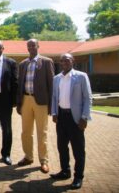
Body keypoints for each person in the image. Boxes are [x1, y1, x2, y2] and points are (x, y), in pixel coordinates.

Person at [50, 53, 92, 190]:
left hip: (76, 119)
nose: (64, 62)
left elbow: (87, 98)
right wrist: (54, 113)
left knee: (78, 150)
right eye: (61, 61)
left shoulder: (81, 76)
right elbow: (54, 97)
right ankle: (65, 171)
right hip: (61, 117)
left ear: (72, 61)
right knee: (62, 147)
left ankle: (78, 176)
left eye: (67, 60)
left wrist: (84, 117)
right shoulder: (56, 78)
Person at [16, 39, 54, 173]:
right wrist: (19, 103)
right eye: (29, 45)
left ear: (38, 46)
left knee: (41, 132)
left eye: (33, 45)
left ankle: (44, 161)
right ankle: (28, 156)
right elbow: (20, 85)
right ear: (27, 48)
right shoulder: (23, 64)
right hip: (26, 99)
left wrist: (51, 105)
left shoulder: (46, 62)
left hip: (41, 102)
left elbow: (51, 85)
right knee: (26, 131)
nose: (31, 47)